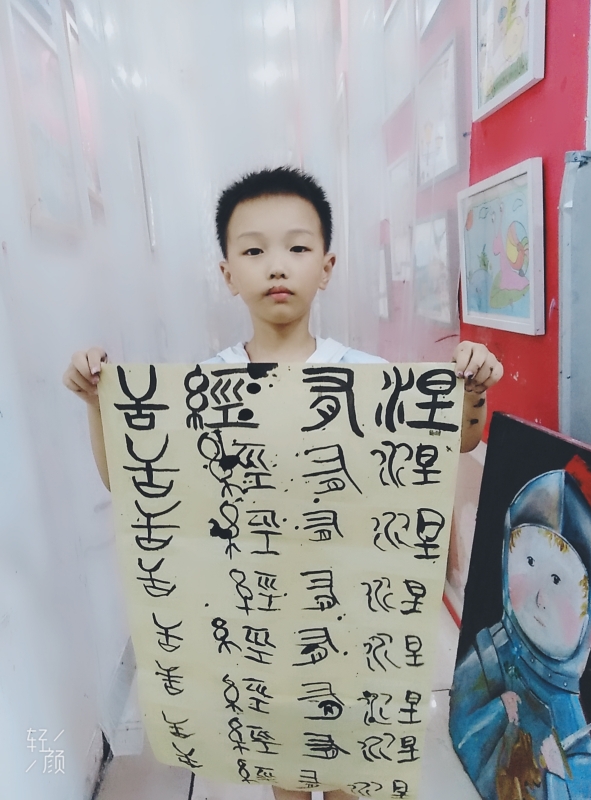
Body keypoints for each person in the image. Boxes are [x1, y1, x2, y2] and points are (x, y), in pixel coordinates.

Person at [63, 166, 504, 799]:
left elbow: (454, 441)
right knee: (288, 771)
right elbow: (132, 480)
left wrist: (471, 388)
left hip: (349, 611)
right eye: (253, 251)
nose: (276, 266)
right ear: (227, 274)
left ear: (326, 266)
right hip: (259, 614)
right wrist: (96, 404)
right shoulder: (204, 388)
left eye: (297, 247)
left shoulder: (367, 376)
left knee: (349, 768)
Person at [449, 456, 591, 800]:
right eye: (529, 561)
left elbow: (587, 785)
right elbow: (461, 715)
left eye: (558, 579)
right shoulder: (491, 650)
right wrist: (497, 709)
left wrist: (559, 774)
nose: (540, 597)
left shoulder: (567, 709)